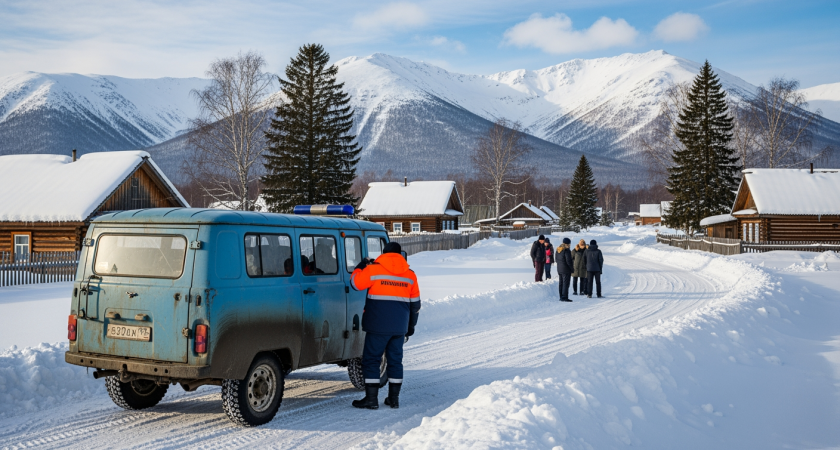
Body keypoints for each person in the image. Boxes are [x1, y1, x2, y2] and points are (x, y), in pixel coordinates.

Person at [350, 242, 420, 410]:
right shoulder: (410, 275)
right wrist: (410, 327)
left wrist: (361, 266)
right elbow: (415, 305)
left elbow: (355, 283)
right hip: (399, 327)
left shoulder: (373, 270)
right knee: (395, 362)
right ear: (400, 254)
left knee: (372, 360)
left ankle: (371, 399)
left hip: (377, 325)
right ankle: (394, 399)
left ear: (384, 253)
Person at [555, 237, 574, 302]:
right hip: (566, 269)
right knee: (566, 283)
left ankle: (561, 296)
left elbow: (556, 259)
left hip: (559, 269)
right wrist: (572, 269)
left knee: (561, 283)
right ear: (568, 244)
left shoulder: (558, 250)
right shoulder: (566, 250)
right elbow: (568, 261)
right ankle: (564, 297)